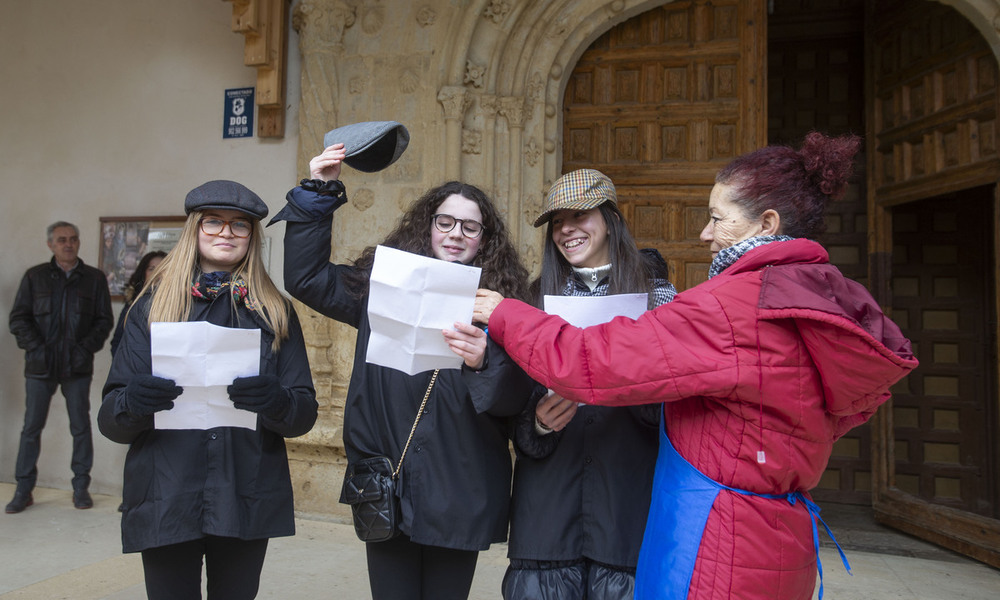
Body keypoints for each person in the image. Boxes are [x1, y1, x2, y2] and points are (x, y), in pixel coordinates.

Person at [473, 132, 919, 600]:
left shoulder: (733, 306)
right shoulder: (815, 296)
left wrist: (504, 313)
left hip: (721, 541)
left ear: (766, 223)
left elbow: (590, 361)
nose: (704, 233)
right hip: (778, 531)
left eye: (716, 218)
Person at [272, 138, 534, 600]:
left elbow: (517, 403)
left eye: (470, 228)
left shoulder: (506, 307)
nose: (456, 234)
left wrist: (484, 361)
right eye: (446, 222)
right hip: (388, 480)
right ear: (428, 226)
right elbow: (306, 279)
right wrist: (319, 190)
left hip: (462, 485)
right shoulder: (381, 285)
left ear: (485, 241)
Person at [98, 180, 318, 599]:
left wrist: (277, 402)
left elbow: (303, 414)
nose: (225, 233)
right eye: (213, 222)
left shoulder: (274, 311)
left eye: (240, 226)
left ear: (252, 237)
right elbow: (111, 420)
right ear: (195, 230)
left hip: (244, 491)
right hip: (166, 491)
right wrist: (134, 402)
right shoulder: (151, 306)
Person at [499, 169, 676, 600]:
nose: (567, 230)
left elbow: (678, 408)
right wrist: (537, 424)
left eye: (580, 215)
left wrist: (633, 387)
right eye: (557, 222)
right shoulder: (533, 301)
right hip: (548, 509)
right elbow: (509, 400)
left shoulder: (660, 299)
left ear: (611, 219)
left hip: (625, 505)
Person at [7, 221, 114, 514]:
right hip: (40, 367)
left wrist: (83, 350)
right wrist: (38, 348)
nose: (68, 244)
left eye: (73, 239)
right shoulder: (35, 277)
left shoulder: (93, 278)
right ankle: (23, 490)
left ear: (79, 243)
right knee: (31, 428)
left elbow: (104, 321)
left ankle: (81, 488)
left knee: (80, 427)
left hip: (77, 367)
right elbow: (18, 319)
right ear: (50, 245)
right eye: (61, 240)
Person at [109, 250, 167, 356]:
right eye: (151, 269)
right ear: (143, 274)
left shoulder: (180, 305)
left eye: (162, 269)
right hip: (133, 369)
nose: (157, 273)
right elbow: (118, 342)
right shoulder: (133, 304)